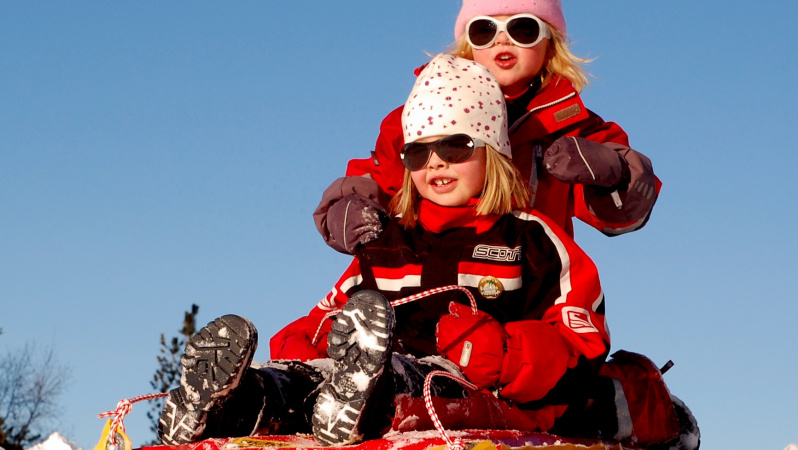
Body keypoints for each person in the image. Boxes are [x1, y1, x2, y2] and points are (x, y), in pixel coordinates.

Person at [157, 55, 697, 450]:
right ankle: (240, 399)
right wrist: (306, 343)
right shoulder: (389, 242)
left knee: (411, 380)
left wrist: (504, 351)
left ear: (494, 155)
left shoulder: (530, 240)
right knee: (305, 380)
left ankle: (361, 392)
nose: (436, 162)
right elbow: (327, 313)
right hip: (354, 370)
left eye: (456, 146)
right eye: (419, 151)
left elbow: (581, 343)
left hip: (458, 381)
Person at [315, 0, 661, 256]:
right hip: (434, 269)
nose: (502, 40)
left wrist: (611, 172)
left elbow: (624, 214)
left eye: (522, 29)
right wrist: (347, 210)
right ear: (469, 43)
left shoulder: (573, 126)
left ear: (550, 42)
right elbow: (382, 177)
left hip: (531, 279)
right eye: (485, 30)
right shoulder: (423, 115)